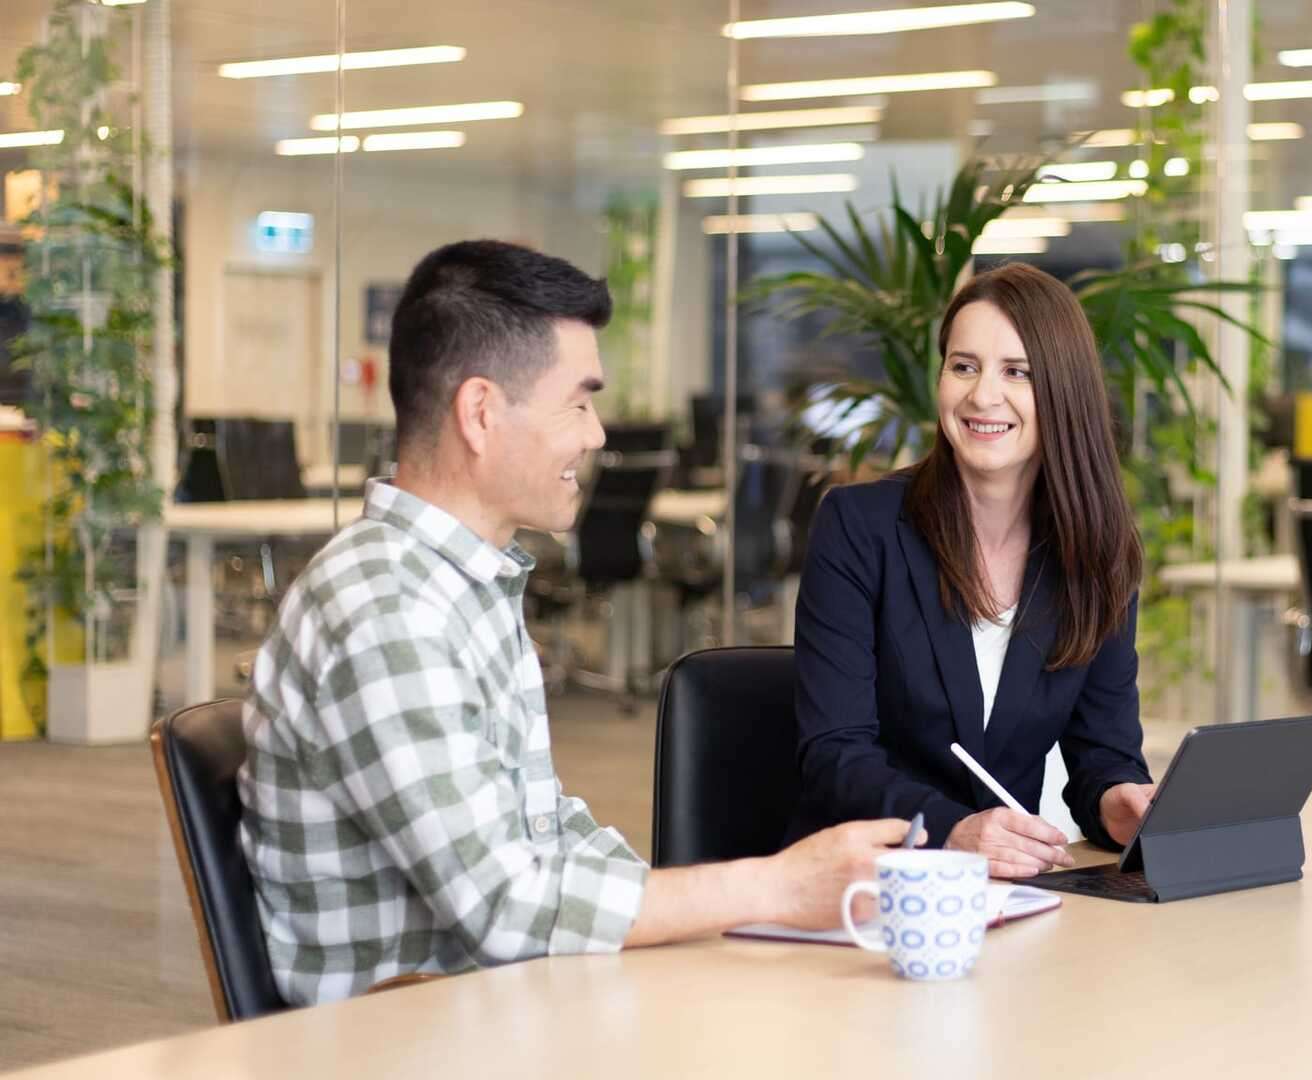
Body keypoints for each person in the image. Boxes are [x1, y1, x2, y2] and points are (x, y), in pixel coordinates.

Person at [238, 240, 904, 1006]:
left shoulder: (460, 585)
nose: (595, 435)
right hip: (406, 1043)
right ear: (481, 413)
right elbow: (509, 909)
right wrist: (778, 887)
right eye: (578, 402)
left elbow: (547, 829)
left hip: (501, 1011)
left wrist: (712, 910)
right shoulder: (386, 608)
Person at [789, 261, 1155, 879]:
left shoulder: (1098, 552)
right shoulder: (859, 526)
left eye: (1018, 373)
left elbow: (1103, 751)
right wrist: (951, 832)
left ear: (1063, 393)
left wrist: (1118, 802)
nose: (983, 395)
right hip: (865, 891)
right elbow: (836, 754)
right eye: (964, 366)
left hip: (1008, 897)